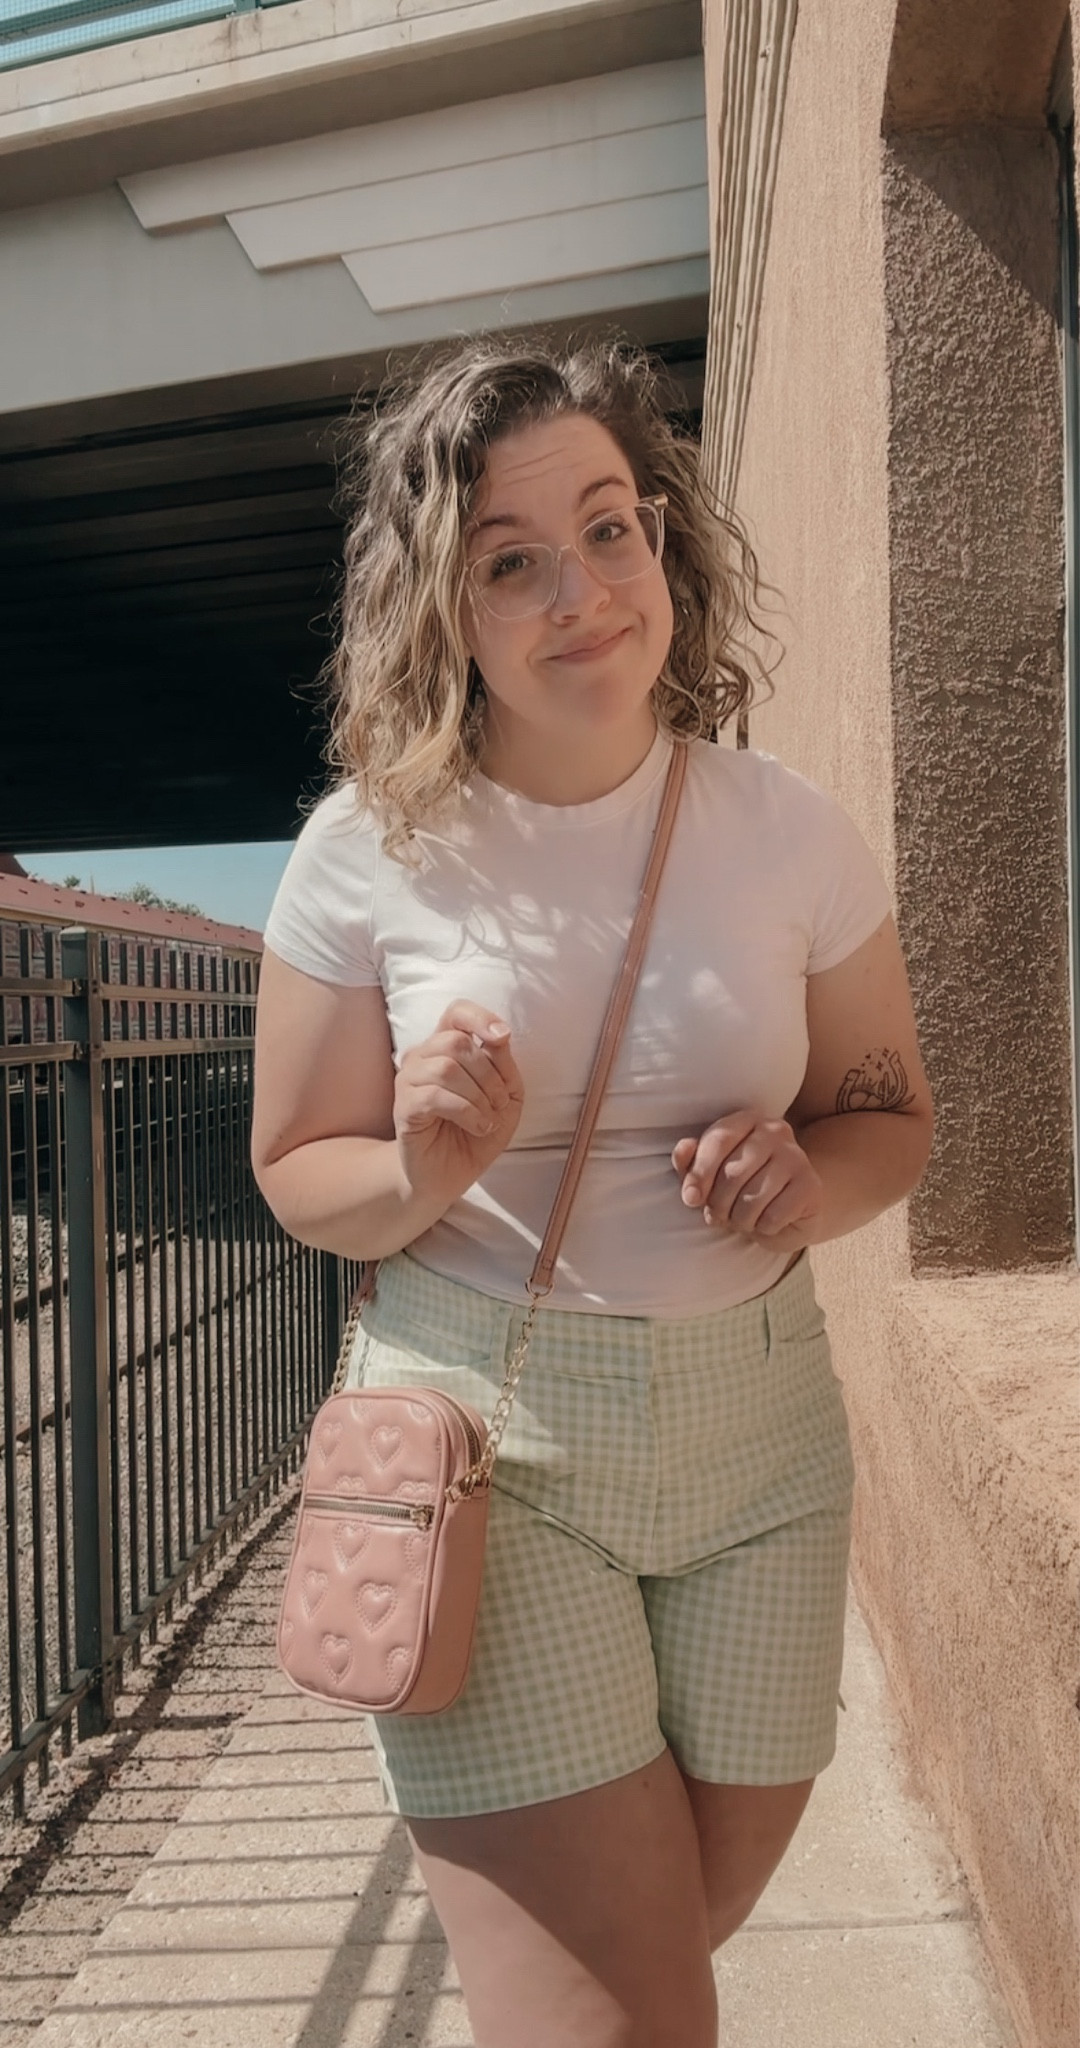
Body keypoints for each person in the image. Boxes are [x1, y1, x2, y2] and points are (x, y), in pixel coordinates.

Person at [251, 335, 933, 2048]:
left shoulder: (790, 834)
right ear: (444, 607)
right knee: (619, 2020)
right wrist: (417, 1165)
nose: (584, 591)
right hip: (493, 1444)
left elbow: (889, 1116)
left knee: (654, 1962)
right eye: (513, 560)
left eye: (612, 529)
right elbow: (295, 1173)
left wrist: (810, 1172)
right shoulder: (368, 851)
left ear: (667, 546)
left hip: (764, 1452)